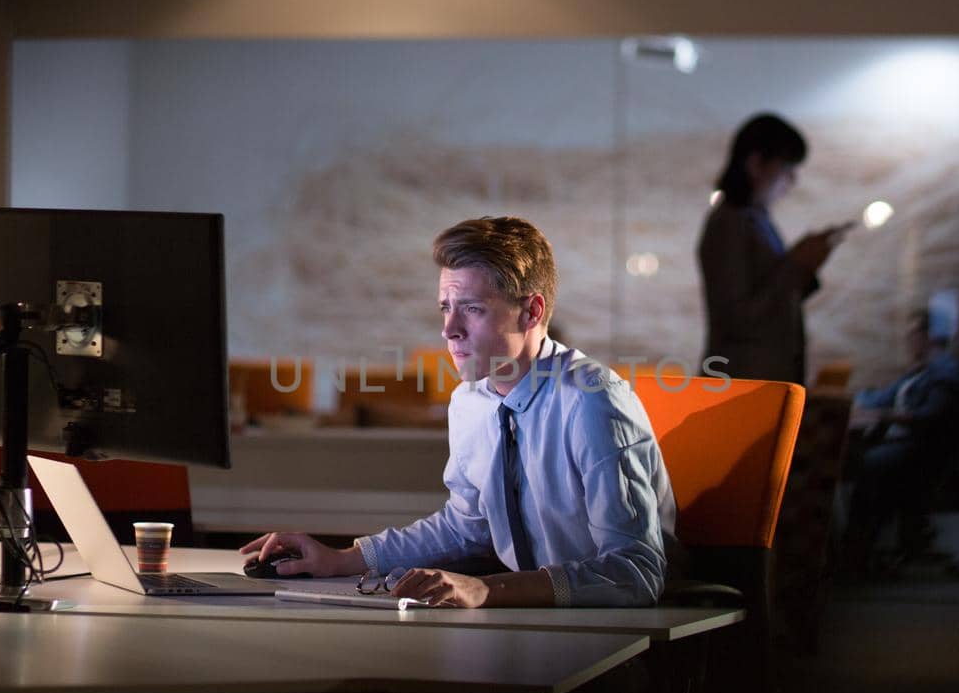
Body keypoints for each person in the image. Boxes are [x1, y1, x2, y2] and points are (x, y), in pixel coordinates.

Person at [242, 215, 677, 607]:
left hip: (614, 637)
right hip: (536, 624)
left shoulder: (592, 401)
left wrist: (488, 590)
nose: (449, 330)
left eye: (472, 309)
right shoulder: (471, 401)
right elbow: (465, 529)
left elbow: (635, 572)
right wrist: (342, 559)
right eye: (446, 308)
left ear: (532, 311)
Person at [698, 113, 850, 384]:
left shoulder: (756, 220)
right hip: (741, 384)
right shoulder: (730, 222)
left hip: (757, 381)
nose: (792, 181)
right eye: (787, 168)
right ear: (756, 164)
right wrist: (796, 264)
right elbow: (737, 318)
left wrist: (805, 265)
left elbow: (769, 299)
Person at [840, 309, 959, 577]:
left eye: (913, 334)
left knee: (867, 464)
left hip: (925, 453)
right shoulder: (918, 373)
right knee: (853, 458)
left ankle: (856, 550)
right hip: (905, 447)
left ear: (930, 337)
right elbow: (878, 399)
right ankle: (854, 548)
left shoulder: (947, 373)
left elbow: (931, 416)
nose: (909, 341)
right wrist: (850, 401)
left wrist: (882, 415)